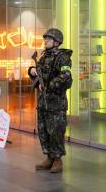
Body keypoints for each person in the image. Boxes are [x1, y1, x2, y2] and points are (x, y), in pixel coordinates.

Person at [28, 28, 73, 173]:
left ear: (56, 42)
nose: (45, 41)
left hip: (56, 102)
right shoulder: (43, 56)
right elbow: (38, 73)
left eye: (48, 39)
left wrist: (49, 85)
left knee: (56, 131)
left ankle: (57, 159)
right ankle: (49, 157)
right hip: (43, 102)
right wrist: (32, 71)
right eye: (45, 39)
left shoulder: (63, 57)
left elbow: (66, 76)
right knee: (43, 129)